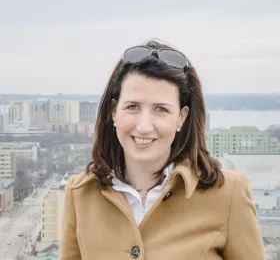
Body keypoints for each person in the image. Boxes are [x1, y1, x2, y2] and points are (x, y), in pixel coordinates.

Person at [60, 40, 266, 260]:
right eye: (132, 107)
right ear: (113, 111)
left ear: (181, 117)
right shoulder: (80, 194)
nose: (144, 126)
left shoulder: (228, 193)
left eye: (161, 109)